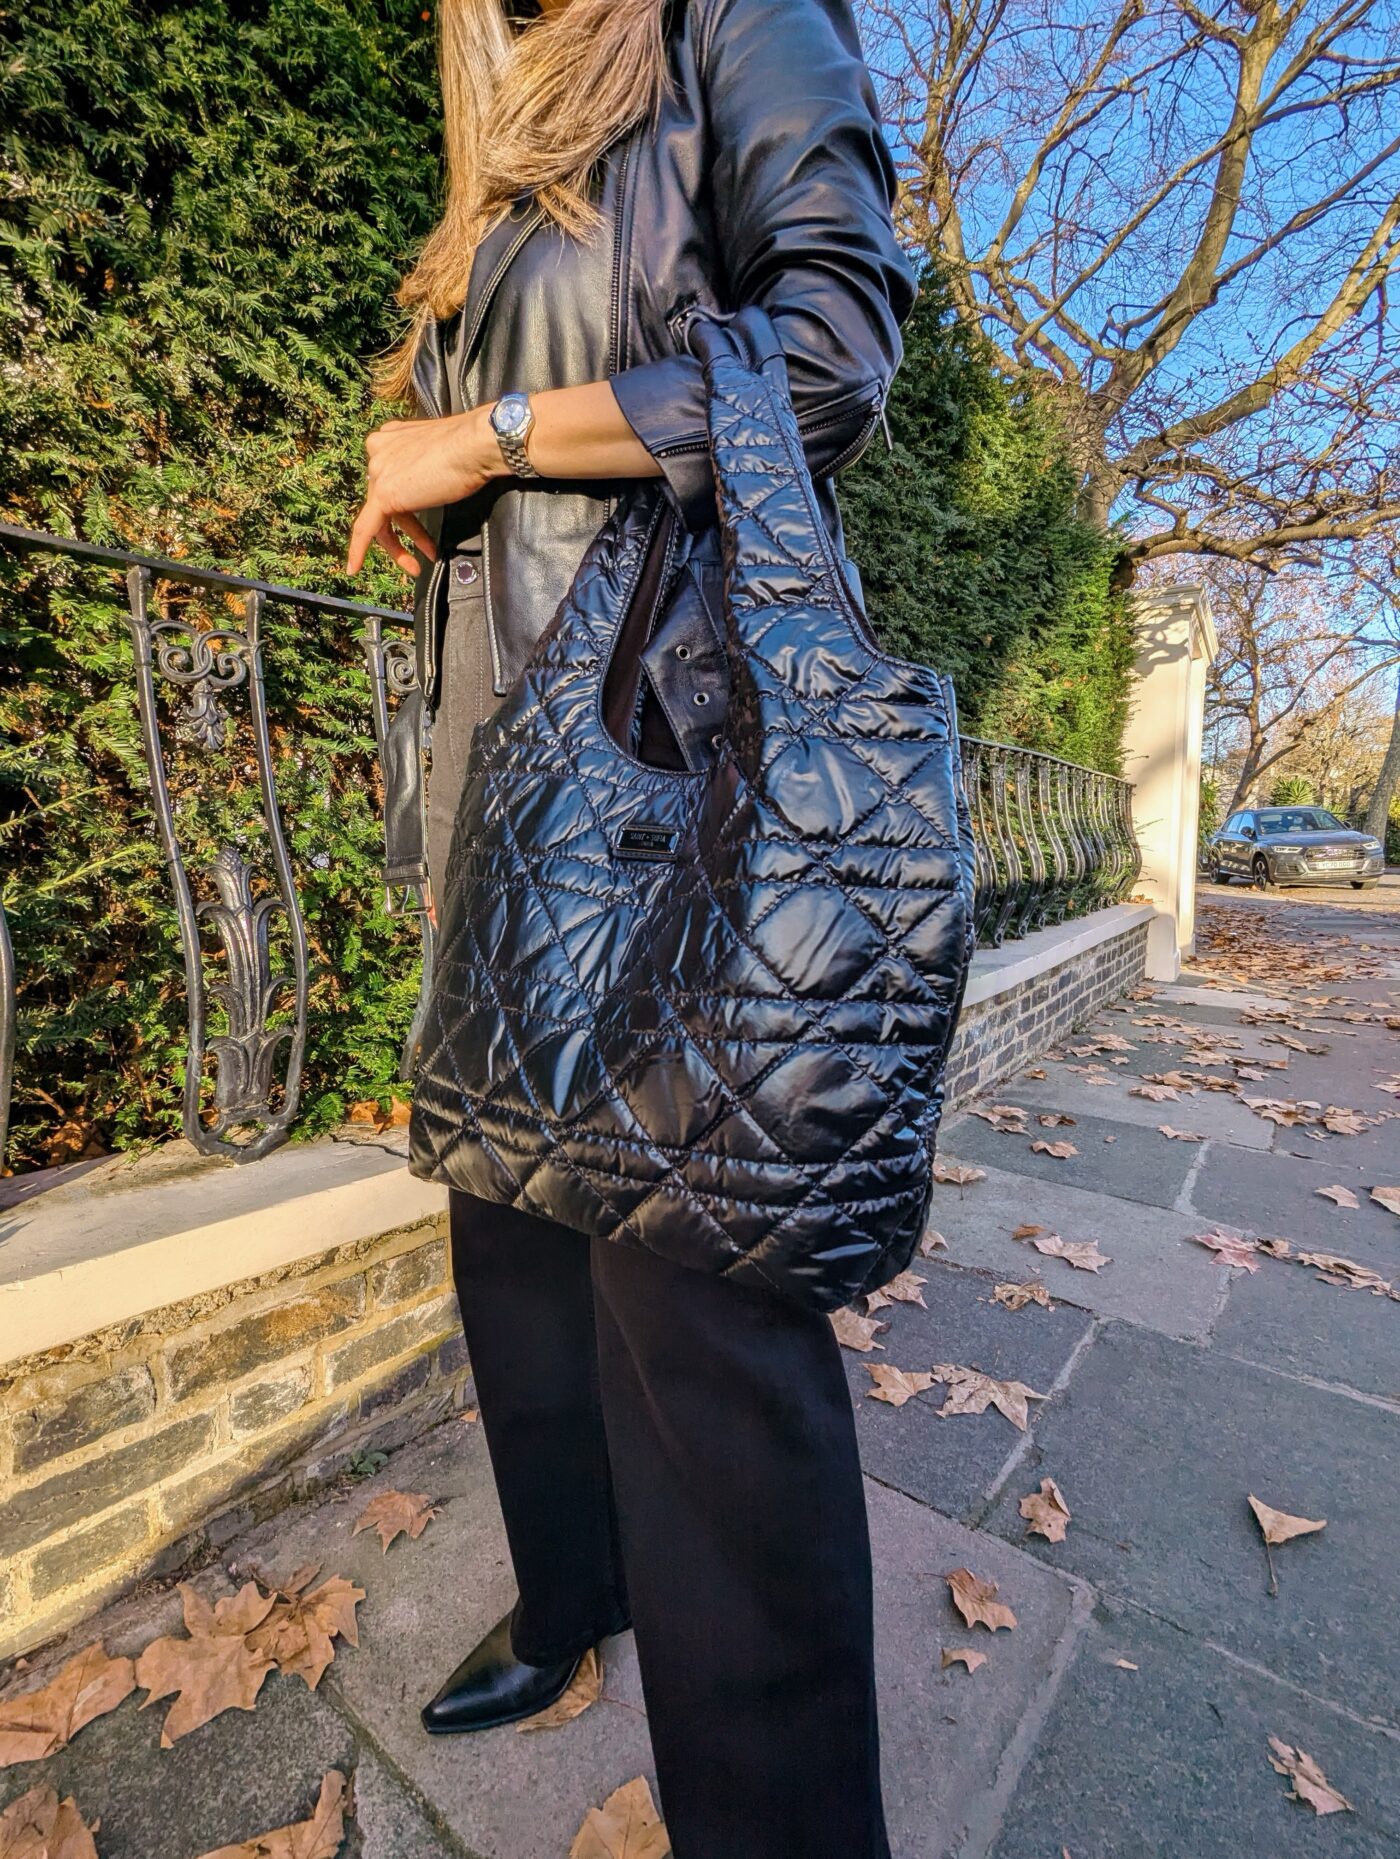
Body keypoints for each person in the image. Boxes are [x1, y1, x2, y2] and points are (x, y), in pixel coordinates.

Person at [346, 0, 915, 1850]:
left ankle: (779, 1818)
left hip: (663, 758)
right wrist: (451, 474)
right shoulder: (498, 108)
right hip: (497, 758)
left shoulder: (721, 23)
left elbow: (828, 349)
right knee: (509, 1240)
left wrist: (491, 435)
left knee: (695, 1309)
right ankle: (570, 1591)